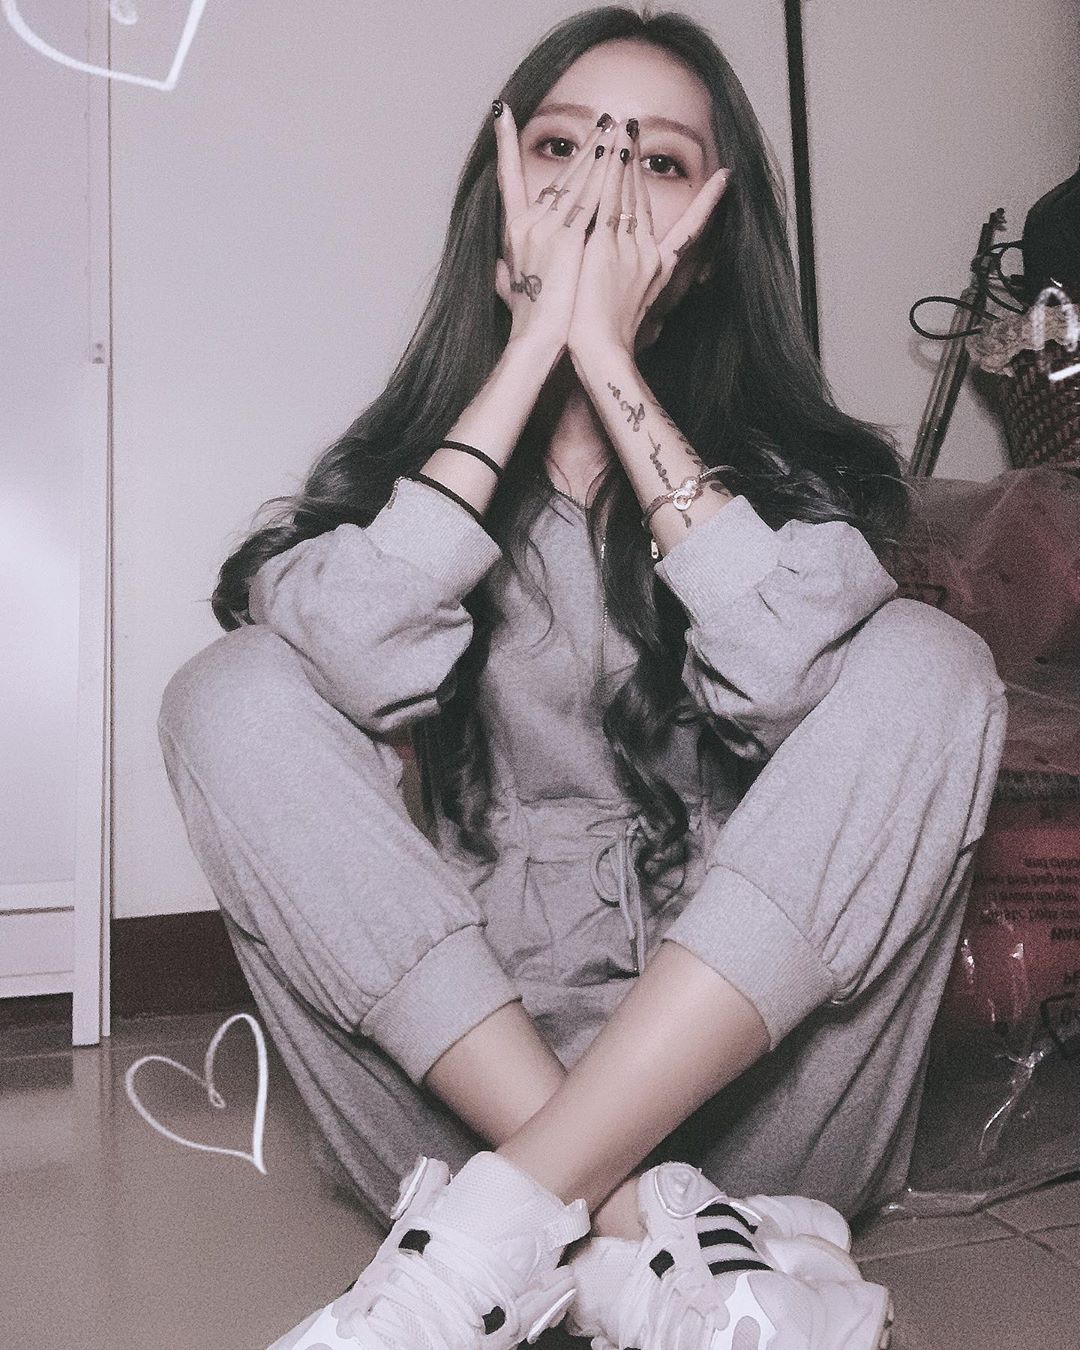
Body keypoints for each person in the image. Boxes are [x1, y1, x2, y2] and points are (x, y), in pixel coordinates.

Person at [157, 6, 1008, 1348]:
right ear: (496, 203)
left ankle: (489, 1253)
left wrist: (607, 360)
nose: (602, 193)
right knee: (229, 694)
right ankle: (649, 1248)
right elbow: (358, 656)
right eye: (562, 146)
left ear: (711, 247)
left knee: (932, 664)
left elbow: (790, 676)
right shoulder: (383, 499)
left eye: (659, 162)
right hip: (455, 1110)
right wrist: (529, 354)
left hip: (758, 1112)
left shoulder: (811, 499)